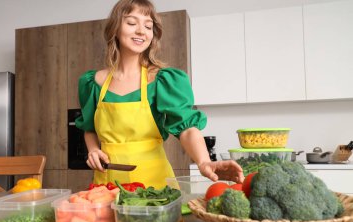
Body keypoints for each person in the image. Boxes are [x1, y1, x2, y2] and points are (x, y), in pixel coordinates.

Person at [75, 0, 244, 189]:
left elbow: (186, 128)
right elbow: (88, 126)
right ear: (115, 28)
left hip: (154, 184)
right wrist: (93, 150)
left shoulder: (162, 80)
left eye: (148, 26)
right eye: (132, 23)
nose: (141, 31)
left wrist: (204, 161)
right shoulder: (93, 83)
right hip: (106, 184)